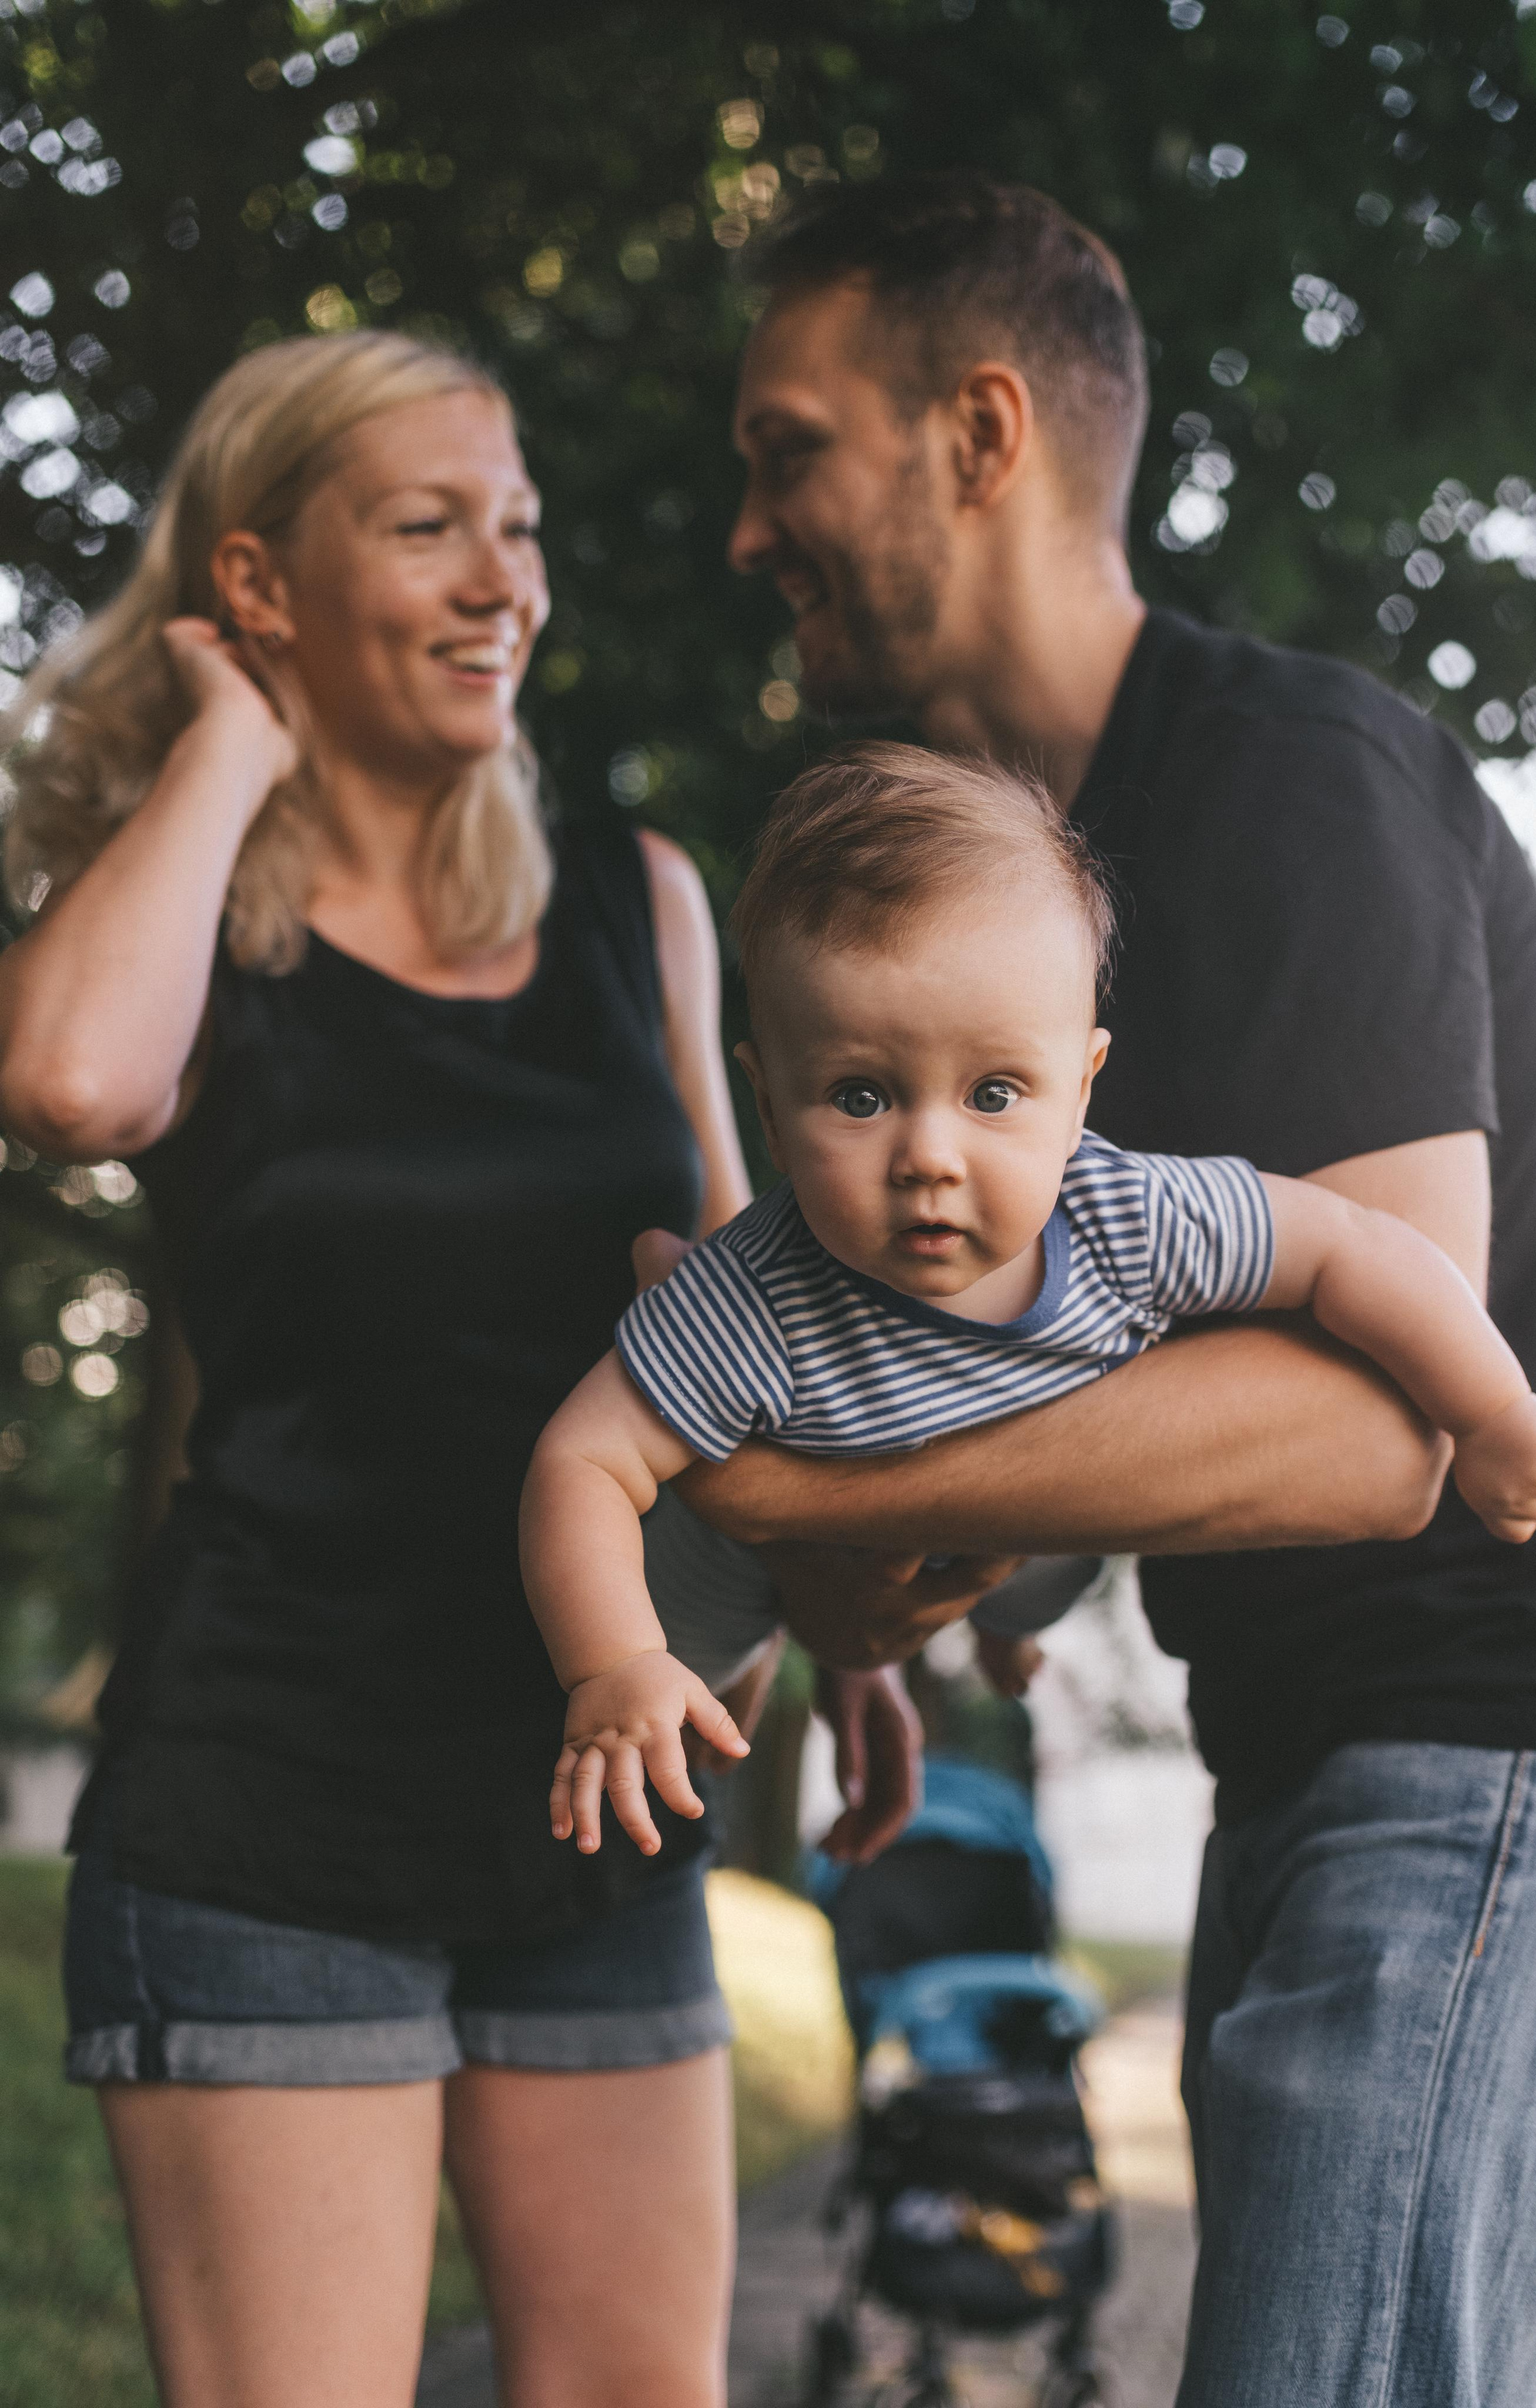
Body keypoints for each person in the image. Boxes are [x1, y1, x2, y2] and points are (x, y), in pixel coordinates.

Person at [665, 172, 1536, 2405]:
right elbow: (1152, 1362)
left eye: (787, 446)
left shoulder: (1290, 788)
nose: (745, 528)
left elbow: (1378, 1436)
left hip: (1484, 1751)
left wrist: (821, 1494)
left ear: (977, 432)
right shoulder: (1043, 907)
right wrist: (940, 1603)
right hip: (1307, 1765)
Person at [0, 326, 857, 2408]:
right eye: (424, 528)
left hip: (599, 1806)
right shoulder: (184, 917)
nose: (505, 582)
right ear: (263, 579)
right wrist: (225, 732)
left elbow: (758, 1332)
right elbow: (71, 1079)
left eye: (521, 528)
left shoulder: (635, 906)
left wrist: (863, 1618)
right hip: (269, 1813)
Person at [526, 744, 1536, 1854]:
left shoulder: (1127, 1216)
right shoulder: (753, 1300)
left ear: (1081, 1088)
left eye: (993, 1093)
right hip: (744, 1543)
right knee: (693, 1664)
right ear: (773, 1105)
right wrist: (616, 1662)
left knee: (1043, 1580)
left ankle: (999, 1634)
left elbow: (1357, 1249)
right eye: (860, 1095)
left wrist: (1492, 1412)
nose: (929, 1154)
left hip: (1020, 1518)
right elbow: (582, 1463)